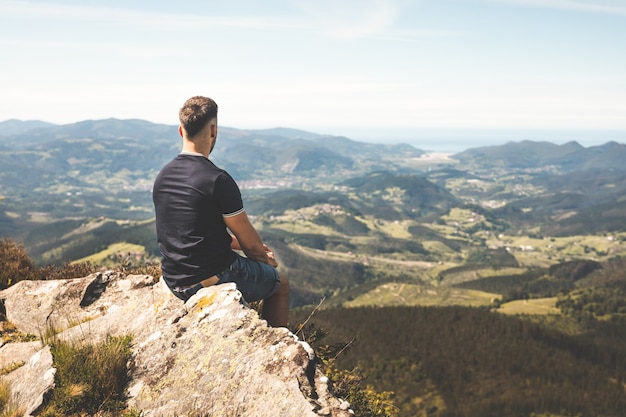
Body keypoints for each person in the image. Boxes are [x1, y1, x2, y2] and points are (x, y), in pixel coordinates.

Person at [152, 96, 289, 327]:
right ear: (213, 130)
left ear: (180, 130)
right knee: (280, 285)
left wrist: (234, 245)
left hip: (174, 281)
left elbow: (194, 235)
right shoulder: (217, 179)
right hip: (208, 279)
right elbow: (252, 245)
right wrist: (265, 261)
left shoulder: (164, 176)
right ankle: (276, 344)